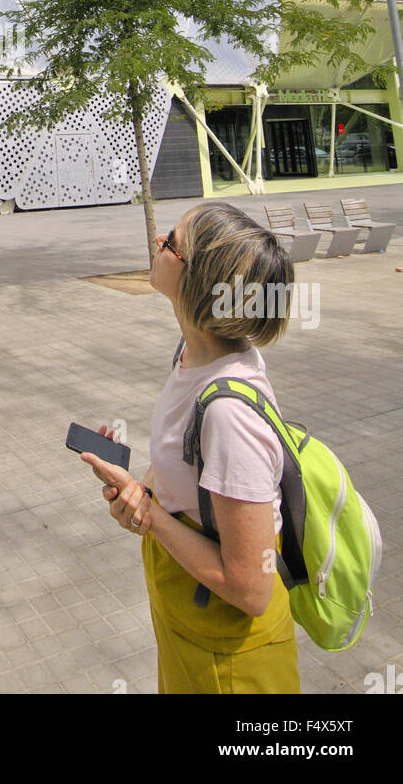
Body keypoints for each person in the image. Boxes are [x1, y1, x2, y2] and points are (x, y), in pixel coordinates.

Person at [82, 201, 301, 695]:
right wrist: (139, 493)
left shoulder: (228, 415)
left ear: (199, 283)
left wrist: (150, 517)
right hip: (189, 628)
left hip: (230, 664)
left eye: (172, 243)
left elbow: (250, 587)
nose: (160, 243)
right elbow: (189, 465)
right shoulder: (191, 353)